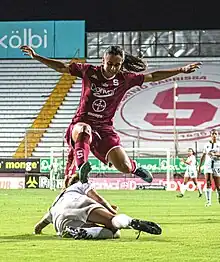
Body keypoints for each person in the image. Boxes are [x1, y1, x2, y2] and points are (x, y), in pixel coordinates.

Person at [20, 45, 201, 184]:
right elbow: (62, 67)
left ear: (121, 64)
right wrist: (37, 57)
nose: (113, 68)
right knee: (84, 129)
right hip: (81, 123)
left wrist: (180, 70)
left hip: (105, 128)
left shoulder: (125, 79)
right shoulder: (89, 71)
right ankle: (82, 168)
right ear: (102, 60)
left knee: (123, 166)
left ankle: (135, 168)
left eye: (117, 65)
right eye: (109, 64)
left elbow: (152, 76)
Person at [34, 163, 162, 240]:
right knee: (113, 227)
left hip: (61, 222)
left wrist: (38, 232)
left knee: (111, 233)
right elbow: (99, 200)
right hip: (77, 203)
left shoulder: (55, 202)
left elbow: (38, 227)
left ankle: (82, 232)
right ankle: (130, 221)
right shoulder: (79, 185)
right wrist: (111, 212)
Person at [198, 129, 220, 206]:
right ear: (210, 135)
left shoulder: (219, 144)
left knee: (218, 185)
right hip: (207, 165)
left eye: (215, 134)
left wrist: (215, 155)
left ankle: (219, 197)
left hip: (217, 165)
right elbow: (203, 155)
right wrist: (199, 166)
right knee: (208, 182)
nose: (214, 135)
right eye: (213, 133)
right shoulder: (206, 145)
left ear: (217, 135)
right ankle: (208, 201)